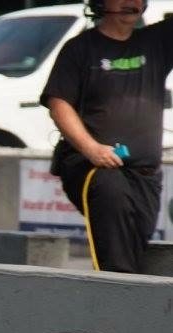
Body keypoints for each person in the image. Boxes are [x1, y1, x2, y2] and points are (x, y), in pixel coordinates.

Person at [42, 0, 169, 273]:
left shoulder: (157, 41)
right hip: (93, 169)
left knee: (132, 248)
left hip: (145, 175)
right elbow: (58, 104)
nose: (131, 3)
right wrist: (92, 149)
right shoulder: (79, 48)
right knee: (116, 254)